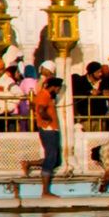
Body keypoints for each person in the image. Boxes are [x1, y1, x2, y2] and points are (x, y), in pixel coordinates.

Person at [28, 62, 65, 193]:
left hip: (50, 128)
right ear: (54, 87)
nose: (59, 91)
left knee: (55, 159)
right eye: (59, 88)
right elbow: (41, 109)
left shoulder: (45, 95)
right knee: (51, 158)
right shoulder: (44, 94)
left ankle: (29, 164)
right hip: (48, 129)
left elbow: (34, 106)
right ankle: (45, 190)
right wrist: (47, 118)